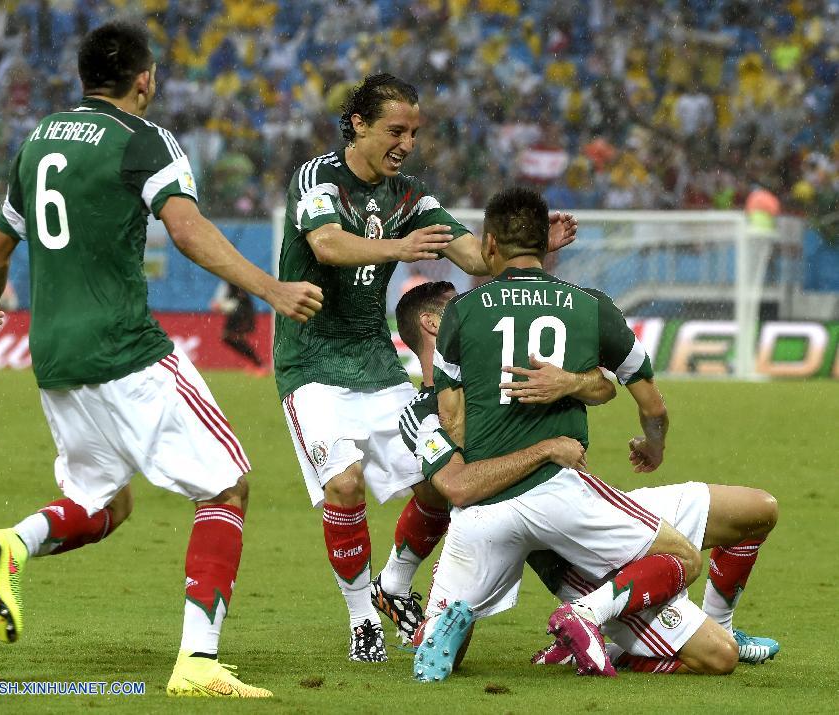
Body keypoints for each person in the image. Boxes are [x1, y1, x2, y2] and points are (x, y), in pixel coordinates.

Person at [0, 22, 322, 699]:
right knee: (226, 485)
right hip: (124, 346)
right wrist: (271, 287)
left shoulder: (38, 138)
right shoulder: (142, 140)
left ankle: (11, 543)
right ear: (144, 79)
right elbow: (186, 228)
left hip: (55, 354)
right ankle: (197, 659)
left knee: (104, 500)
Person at [273, 73, 578, 661]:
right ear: (358, 125)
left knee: (443, 482)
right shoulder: (317, 180)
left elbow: (471, 256)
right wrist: (399, 248)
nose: (407, 143)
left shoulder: (409, 195)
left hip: (376, 363)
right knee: (344, 483)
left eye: (414, 132)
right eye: (395, 130)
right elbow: (328, 246)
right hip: (310, 362)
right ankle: (363, 618)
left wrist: (535, 249)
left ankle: (393, 582)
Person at [394, 281, 779, 676]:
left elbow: (603, 385)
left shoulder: (521, 357)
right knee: (718, 656)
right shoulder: (427, 413)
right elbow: (458, 487)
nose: (476, 311)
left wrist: (572, 382)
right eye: (457, 306)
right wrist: (546, 449)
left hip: (580, 506)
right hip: (524, 529)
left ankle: (701, 627)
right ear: (432, 325)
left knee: (758, 510)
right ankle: (590, 621)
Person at [412, 186, 708, 680]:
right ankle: (589, 613)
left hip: (483, 507)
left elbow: (452, 417)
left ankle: (445, 621)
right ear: (544, 244)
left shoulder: (461, 313)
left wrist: (484, 460)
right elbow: (652, 405)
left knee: (444, 646)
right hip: (560, 491)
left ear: (488, 245)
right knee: (682, 556)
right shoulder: (589, 307)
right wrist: (652, 444)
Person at [211, 281, 264, 369]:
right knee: (231, 337)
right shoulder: (230, 283)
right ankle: (256, 363)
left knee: (232, 337)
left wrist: (222, 305)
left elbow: (238, 301)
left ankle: (258, 364)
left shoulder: (235, 283)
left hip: (241, 314)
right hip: (237, 314)